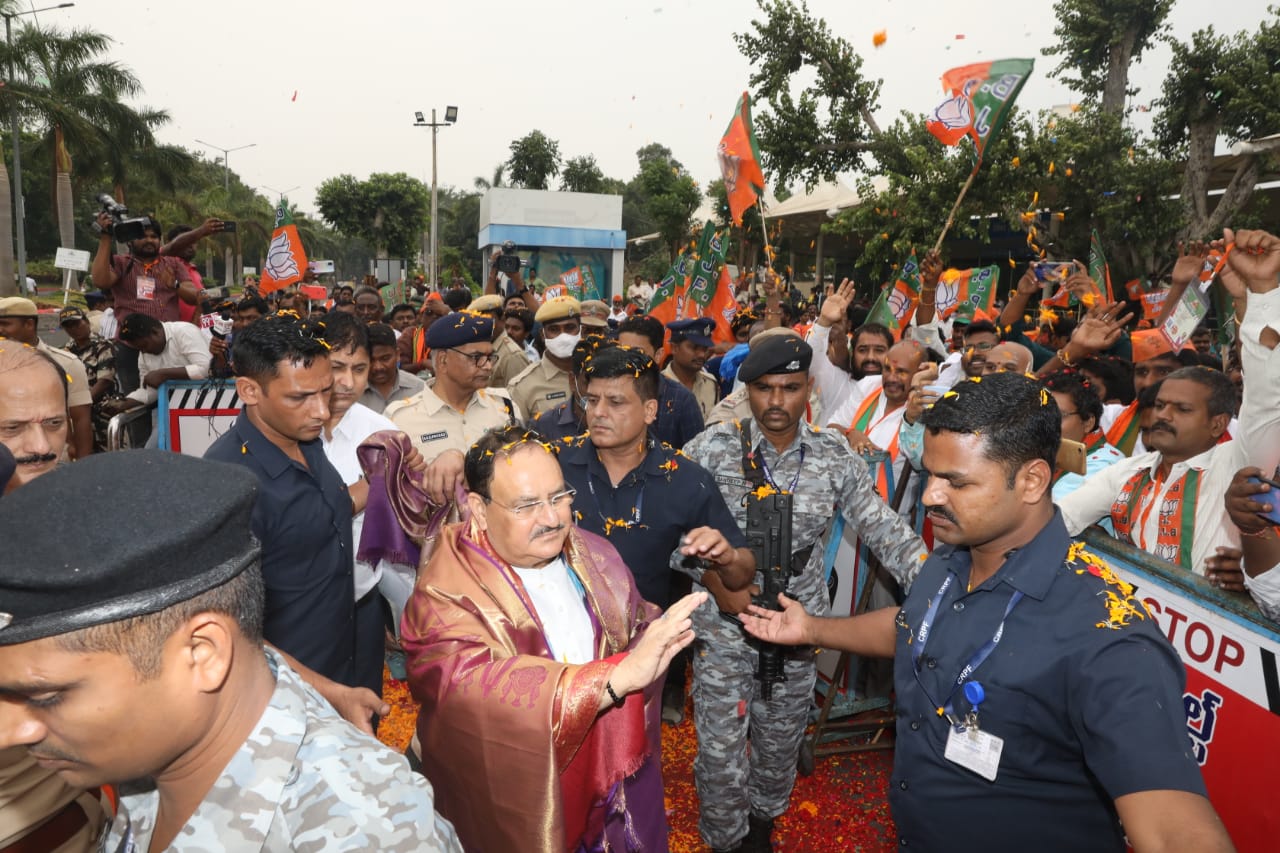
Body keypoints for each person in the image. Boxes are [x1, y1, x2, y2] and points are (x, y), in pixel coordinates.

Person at [738, 372, 1234, 853]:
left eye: (956, 482)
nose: (931, 496)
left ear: (1033, 480)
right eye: (931, 475)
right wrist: (810, 627)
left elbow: (1175, 830)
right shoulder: (958, 553)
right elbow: (915, 626)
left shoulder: (1107, 636)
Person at [0, 451, 463, 852]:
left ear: (203, 654)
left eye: (45, 697)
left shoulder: (362, 830)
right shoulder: (160, 740)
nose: (8, 732)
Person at [400, 425, 707, 851]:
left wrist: (653, 638)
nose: (551, 519)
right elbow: (465, 690)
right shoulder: (444, 591)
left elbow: (632, 625)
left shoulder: (593, 553)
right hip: (518, 793)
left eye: (559, 497)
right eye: (527, 505)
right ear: (479, 508)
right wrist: (611, 681)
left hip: (600, 778)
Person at [679, 335, 928, 852]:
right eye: (764, 388)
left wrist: (938, 590)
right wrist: (711, 582)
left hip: (796, 632)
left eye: (790, 388)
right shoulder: (708, 450)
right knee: (721, 756)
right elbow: (671, 538)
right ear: (746, 391)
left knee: (778, 746)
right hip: (724, 632)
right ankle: (726, 843)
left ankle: (763, 831)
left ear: (809, 388)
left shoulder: (834, 455)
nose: (776, 402)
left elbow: (885, 531)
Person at [203, 313, 388, 731]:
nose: (322, 412)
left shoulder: (302, 438)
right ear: (250, 390)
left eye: (326, 392)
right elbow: (232, 632)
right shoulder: (230, 485)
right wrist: (331, 693)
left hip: (349, 658)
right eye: (301, 397)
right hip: (283, 700)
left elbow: (331, 507)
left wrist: (386, 476)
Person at [557, 346, 755, 720]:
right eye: (592, 399)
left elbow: (743, 572)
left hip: (640, 656)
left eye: (615, 402)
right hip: (558, 646)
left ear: (649, 411)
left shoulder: (684, 478)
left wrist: (726, 557)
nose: (597, 412)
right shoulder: (553, 461)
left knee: (627, 763)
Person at [0, 344, 109, 852]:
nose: (41, 447)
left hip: (97, 814)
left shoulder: (93, 521)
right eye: (12, 429)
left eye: (55, 423)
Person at [386, 311, 519, 503]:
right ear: (442, 360)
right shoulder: (400, 419)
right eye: (476, 357)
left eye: (490, 357)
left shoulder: (505, 407)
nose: (488, 366)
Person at [0, 297, 93, 460]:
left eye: (4, 324)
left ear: (29, 324)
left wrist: (84, 466)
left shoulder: (66, 364)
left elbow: (80, 419)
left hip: (49, 456)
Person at [88, 212, 196, 328]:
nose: (149, 240)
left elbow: (195, 297)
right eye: (142, 236)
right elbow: (100, 282)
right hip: (132, 340)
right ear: (130, 241)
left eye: (153, 237)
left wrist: (175, 285)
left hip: (169, 338)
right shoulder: (121, 263)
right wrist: (106, 237)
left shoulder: (173, 264)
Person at [616, 315, 705, 449]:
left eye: (637, 353)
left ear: (658, 355)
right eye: (622, 351)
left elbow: (696, 459)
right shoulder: (606, 393)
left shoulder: (682, 401)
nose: (627, 360)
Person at [103, 313, 212, 418]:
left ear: (155, 332)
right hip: (177, 409)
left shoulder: (184, 331)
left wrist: (164, 374)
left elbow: (207, 368)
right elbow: (149, 391)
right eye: (140, 349)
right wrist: (122, 403)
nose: (144, 352)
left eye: (145, 346)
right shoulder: (144, 353)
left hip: (212, 402)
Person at [1041, 369, 1126, 500]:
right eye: (1041, 414)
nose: (1047, 423)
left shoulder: (1104, 466)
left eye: (1059, 415)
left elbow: (1050, 513)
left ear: (1088, 422)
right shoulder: (1044, 451)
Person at [508, 295, 582, 420]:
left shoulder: (595, 373)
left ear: (580, 330)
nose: (563, 336)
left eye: (570, 328)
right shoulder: (522, 386)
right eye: (554, 329)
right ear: (543, 335)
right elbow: (515, 436)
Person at [58, 306, 118, 452]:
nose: (73, 329)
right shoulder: (64, 351)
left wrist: (81, 403)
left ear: (87, 322)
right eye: (68, 326)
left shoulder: (103, 346)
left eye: (76, 324)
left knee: (105, 457)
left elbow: (104, 381)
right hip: (74, 412)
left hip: (100, 409)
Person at [360, 322, 424, 413]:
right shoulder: (353, 392)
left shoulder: (419, 389)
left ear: (397, 354)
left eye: (385, 359)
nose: (378, 367)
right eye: (371, 360)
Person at [663, 318, 720, 420]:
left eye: (704, 349)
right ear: (674, 348)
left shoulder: (711, 384)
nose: (702, 355)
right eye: (694, 348)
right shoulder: (658, 386)